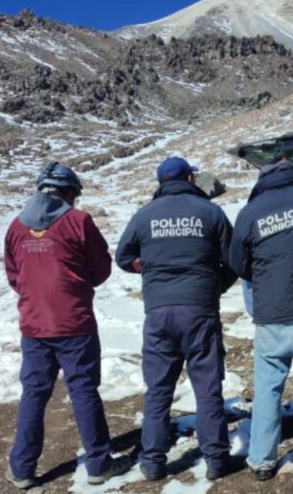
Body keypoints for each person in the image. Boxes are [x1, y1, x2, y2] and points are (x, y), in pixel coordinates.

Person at [4, 163, 132, 488]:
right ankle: (99, 463)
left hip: (34, 325)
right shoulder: (79, 221)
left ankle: (21, 469)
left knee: (34, 393)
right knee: (84, 390)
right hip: (75, 322)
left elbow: (14, 275)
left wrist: (35, 294)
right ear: (70, 193)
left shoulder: (16, 227)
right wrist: (75, 285)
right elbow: (101, 268)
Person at [115, 157, 238, 481]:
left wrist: (149, 270)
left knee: (158, 390)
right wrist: (213, 288)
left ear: (161, 182)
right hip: (199, 311)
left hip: (158, 314)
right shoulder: (210, 212)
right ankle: (216, 460)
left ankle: (153, 463)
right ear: (189, 178)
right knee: (207, 387)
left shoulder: (144, 215)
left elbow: (123, 257)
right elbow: (235, 259)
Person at [228, 160, 293, 482]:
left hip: (272, 315)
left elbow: (237, 262)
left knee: (267, 388)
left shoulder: (252, 210)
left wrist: (264, 277)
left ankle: (263, 462)